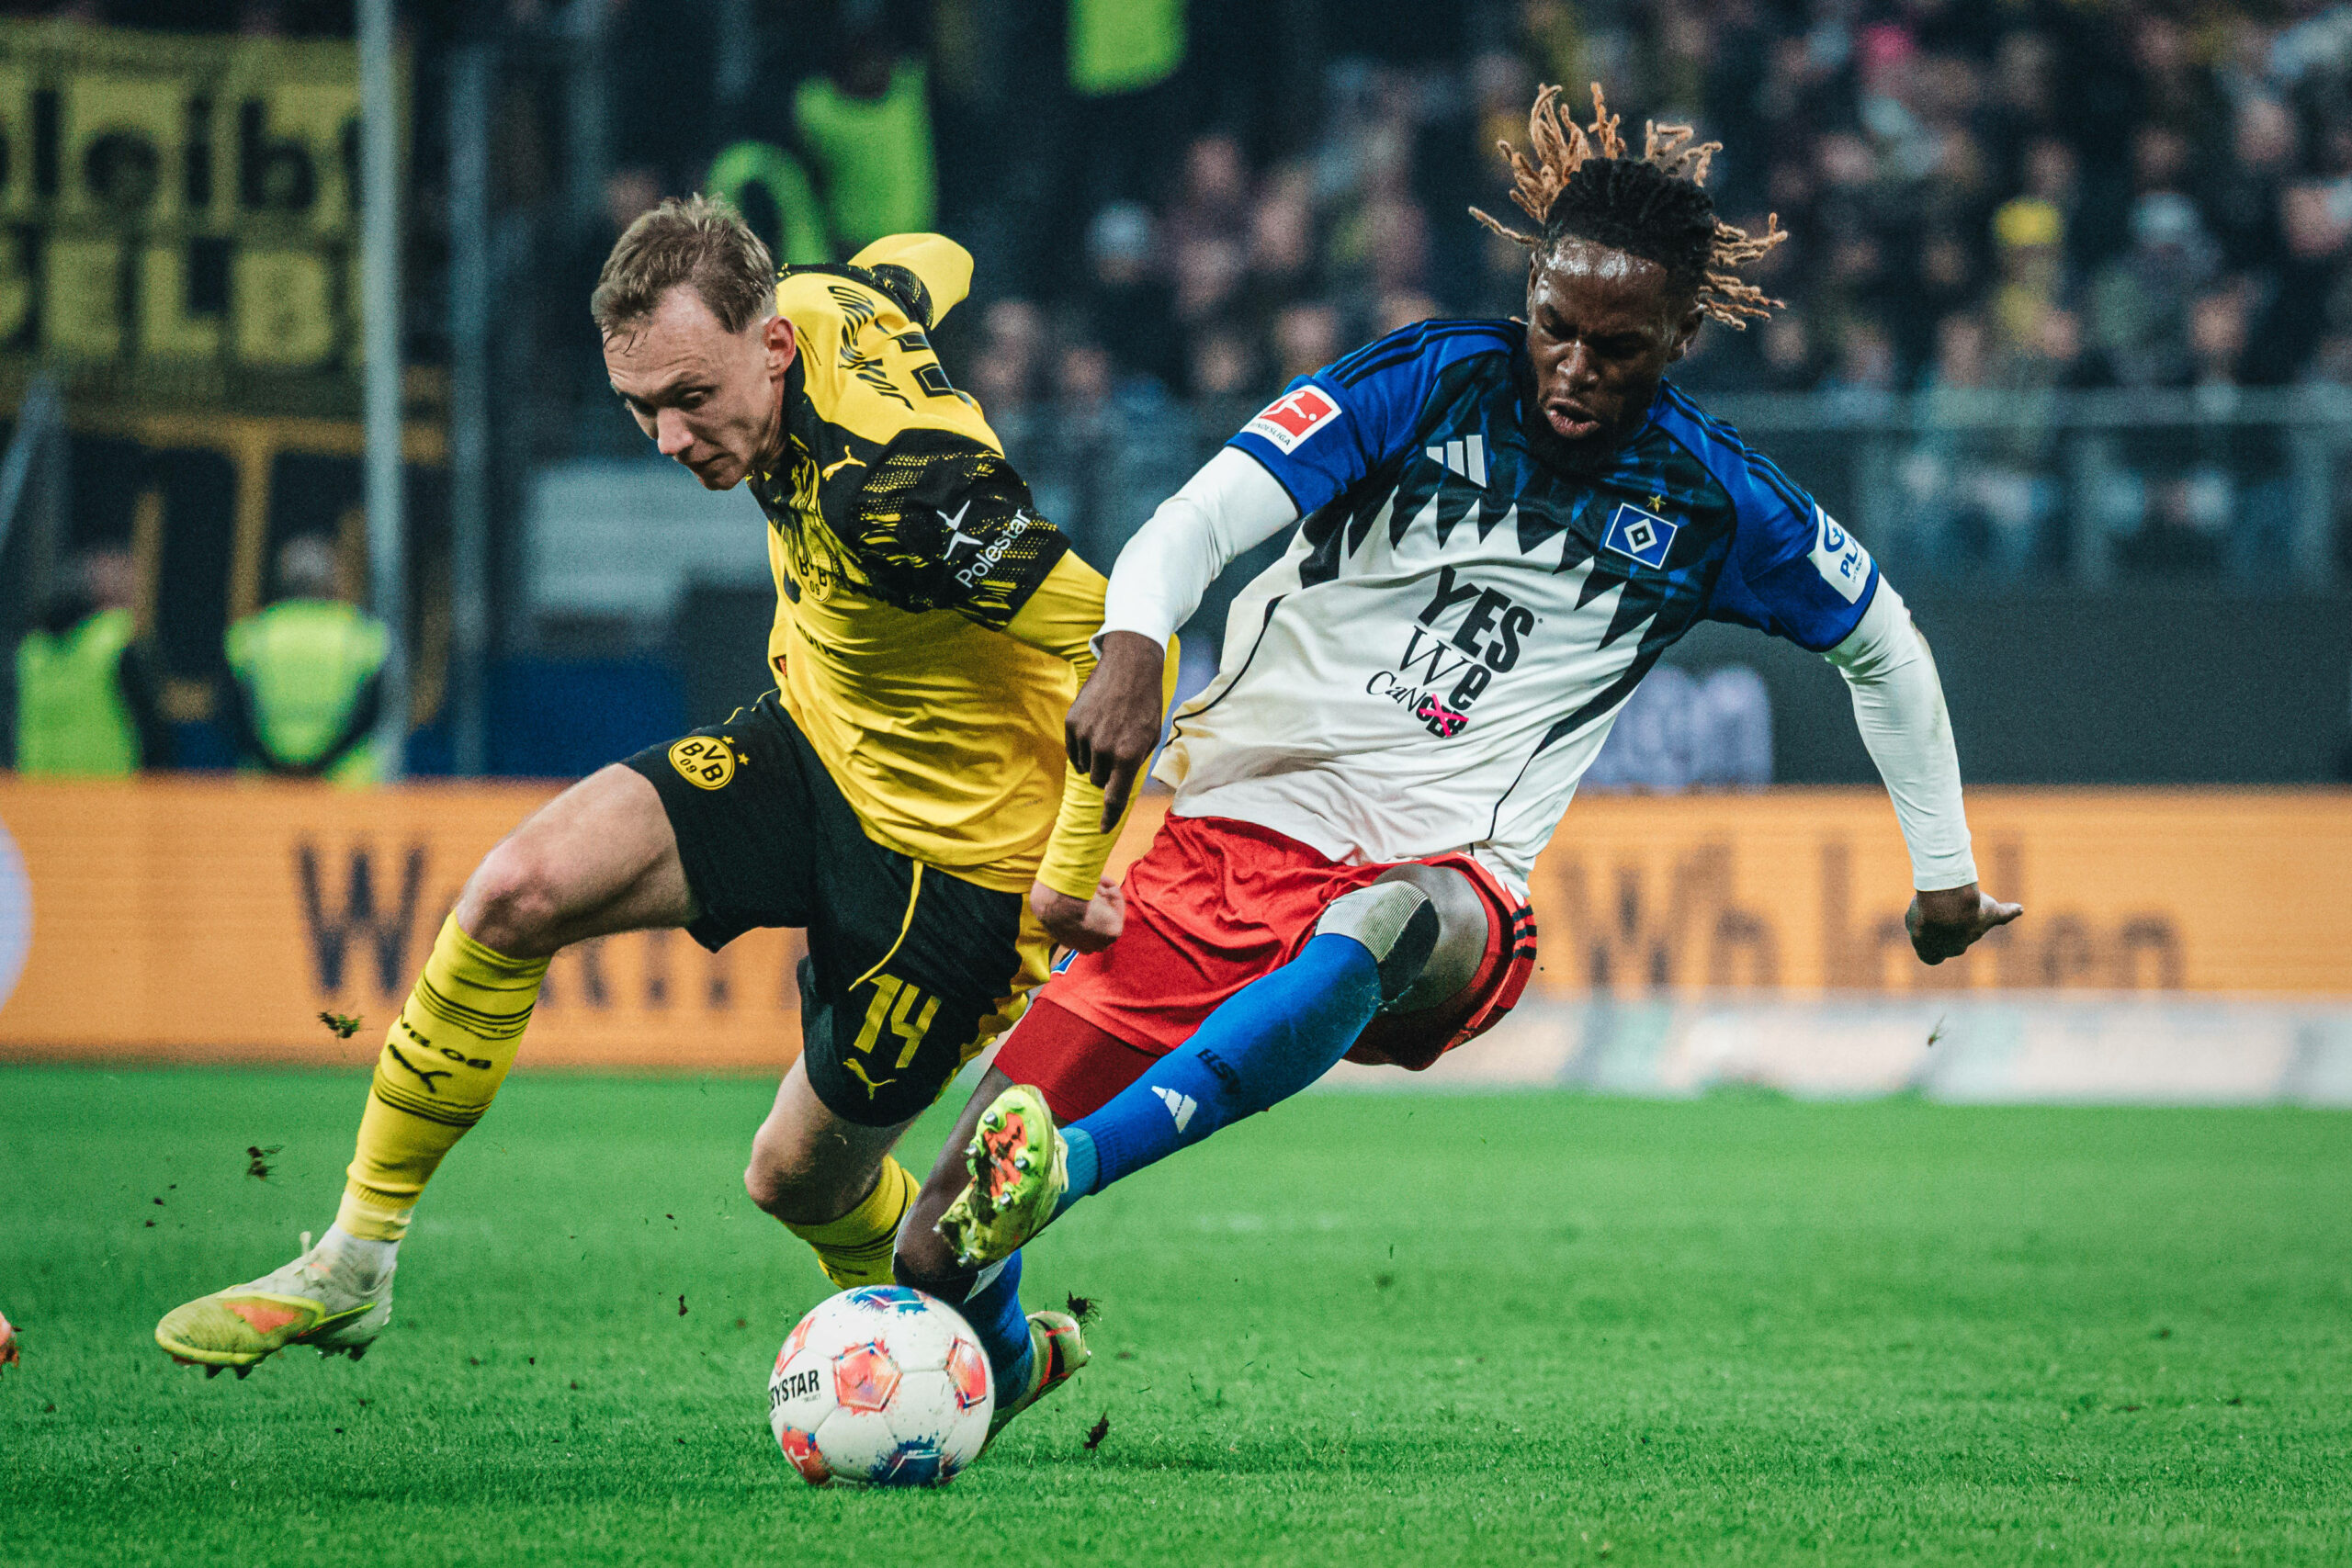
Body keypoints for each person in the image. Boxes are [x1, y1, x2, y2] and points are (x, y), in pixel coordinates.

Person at [894, 88, 2023, 1378]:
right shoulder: (1424, 382)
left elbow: (1887, 645)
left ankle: (1080, 1164)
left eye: (1618, 346)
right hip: (1224, 850)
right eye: (1556, 326)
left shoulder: (1716, 502)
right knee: (933, 1247)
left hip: (1448, 884)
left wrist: (1945, 876)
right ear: (1529, 291)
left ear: (1682, 336)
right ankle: (1020, 1362)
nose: (1575, 367)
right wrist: (1137, 639)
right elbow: (1194, 522)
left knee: (1385, 915)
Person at [156, 198, 1143, 1440]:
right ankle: (354, 1261)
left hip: (961, 869)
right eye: (641, 409)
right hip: (815, 745)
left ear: (771, 344)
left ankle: (995, 1353)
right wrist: (912, 289)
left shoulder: (903, 492)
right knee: (512, 892)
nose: (671, 439)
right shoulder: (823, 302)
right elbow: (922, 263)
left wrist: (1070, 870)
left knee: (795, 1179)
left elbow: (1126, 644)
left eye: (690, 397)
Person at [221, 535, 386, 785]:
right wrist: (322, 765)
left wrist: (278, 765)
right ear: (331, 581)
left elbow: (231, 713)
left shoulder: (251, 635)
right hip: (343, 785)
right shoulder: (360, 634)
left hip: (267, 785)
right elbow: (374, 713)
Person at [12, 547, 172, 777]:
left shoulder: (32, 650)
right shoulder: (118, 640)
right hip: (107, 788)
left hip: (37, 788)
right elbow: (153, 730)